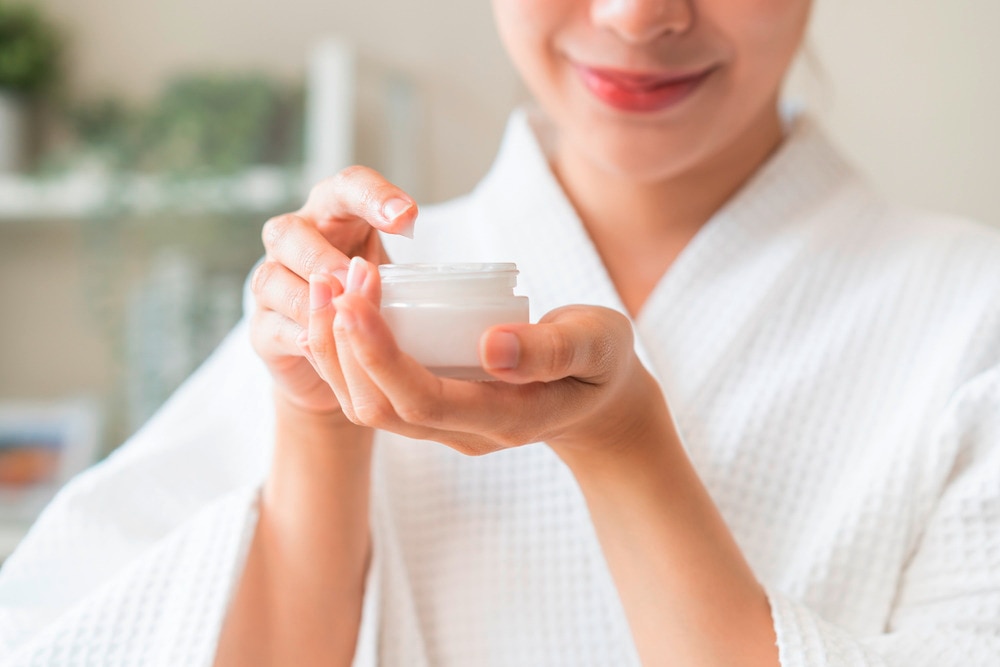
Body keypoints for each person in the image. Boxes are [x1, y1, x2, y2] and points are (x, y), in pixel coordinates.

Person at [1, 0, 999, 664]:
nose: (637, 14)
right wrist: (320, 427)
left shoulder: (970, 313)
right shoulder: (365, 288)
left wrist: (624, 449)